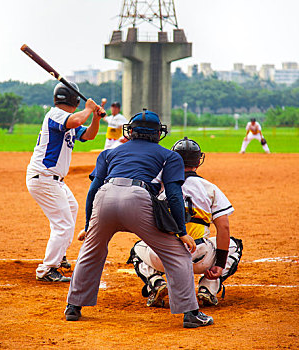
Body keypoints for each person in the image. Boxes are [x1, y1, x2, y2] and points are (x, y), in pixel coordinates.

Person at [65, 110, 214, 329]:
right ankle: (190, 314)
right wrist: (181, 232)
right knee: (177, 253)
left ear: (131, 131)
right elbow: (173, 195)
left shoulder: (109, 153)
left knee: (91, 250)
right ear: (157, 133)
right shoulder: (169, 156)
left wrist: (88, 226)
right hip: (138, 199)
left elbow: (93, 190)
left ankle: (73, 307)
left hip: (105, 197)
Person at [128, 137, 243, 308]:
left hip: (163, 256)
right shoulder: (209, 187)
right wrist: (219, 264)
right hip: (199, 256)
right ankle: (208, 288)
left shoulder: (159, 186)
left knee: (137, 249)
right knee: (235, 245)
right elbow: (223, 228)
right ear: (198, 161)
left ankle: (156, 283)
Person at [26, 82, 105, 282]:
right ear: (74, 100)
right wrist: (88, 108)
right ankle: (46, 269)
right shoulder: (55, 115)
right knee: (64, 224)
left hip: (54, 180)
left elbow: (89, 134)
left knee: (71, 209)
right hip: (44, 177)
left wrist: (94, 118)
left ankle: (59, 256)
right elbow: (76, 120)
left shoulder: (68, 120)